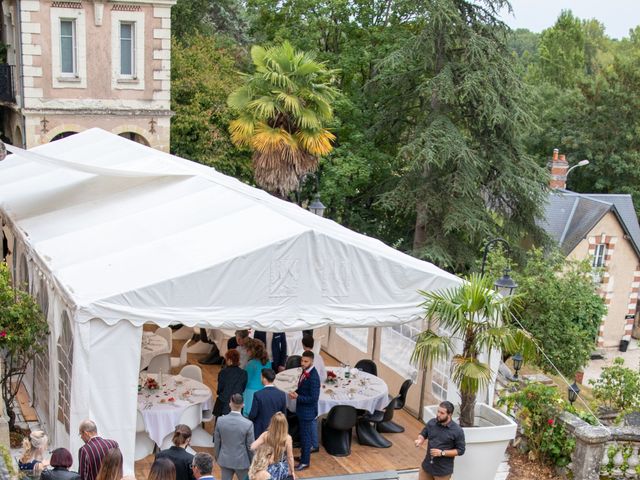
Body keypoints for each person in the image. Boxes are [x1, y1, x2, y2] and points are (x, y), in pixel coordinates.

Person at [414, 401, 466, 480]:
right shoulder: (432, 423)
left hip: (442, 472)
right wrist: (420, 440)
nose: (438, 414)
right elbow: (423, 433)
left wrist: (442, 453)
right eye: (438, 411)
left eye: (442, 413)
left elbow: (461, 450)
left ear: (450, 414)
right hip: (427, 467)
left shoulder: (457, 431)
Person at [288, 351, 320, 471]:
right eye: (302, 360)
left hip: (308, 412)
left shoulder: (314, 377)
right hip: (302, 410)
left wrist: (298, 397)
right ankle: (303, 457)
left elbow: (313, 398)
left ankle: (305, 462)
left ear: (312, 361)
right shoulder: (304, 372)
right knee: (303, 436)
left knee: (306, 438)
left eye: (305, 361)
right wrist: (295, 394)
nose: (302, 363)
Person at [214, 394, 255, 480]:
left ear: (230, 404)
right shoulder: (248, 424)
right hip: (242, 462)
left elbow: (217, 442)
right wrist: (252, 461)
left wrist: (218, 457)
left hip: (225, 459)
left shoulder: (220, 420)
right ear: (243, 405)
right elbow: (250, 446)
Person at [251, 412, 295, 480]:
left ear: (272, 423)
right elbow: (290, 457)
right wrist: (292, 471)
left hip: (267, 467)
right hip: (282, 470)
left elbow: (253, 447)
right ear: (284, 424)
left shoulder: (265, 435)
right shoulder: (287, 438)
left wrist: (263, 453)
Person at [248, 368, 287, 438]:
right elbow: (283, 414)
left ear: (264, 379)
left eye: (261, 377)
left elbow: (253, 414)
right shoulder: (282, 394)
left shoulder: (258, 394)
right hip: (276, 429)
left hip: (260, 429)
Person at [213, 349, 248, 421]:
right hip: (237, 403)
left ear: (229, 360)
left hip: (224, 403)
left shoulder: (223, 372)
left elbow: (219, 390)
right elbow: (243, 388)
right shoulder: (244, 373)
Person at [243, 339, 272, 416]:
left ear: (251, 351)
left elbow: (245, 380)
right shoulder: (268, 362)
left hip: (250, 393)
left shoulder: (250, 364)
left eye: (247, 349)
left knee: (249, 415)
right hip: (264, 391)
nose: (246, 352)